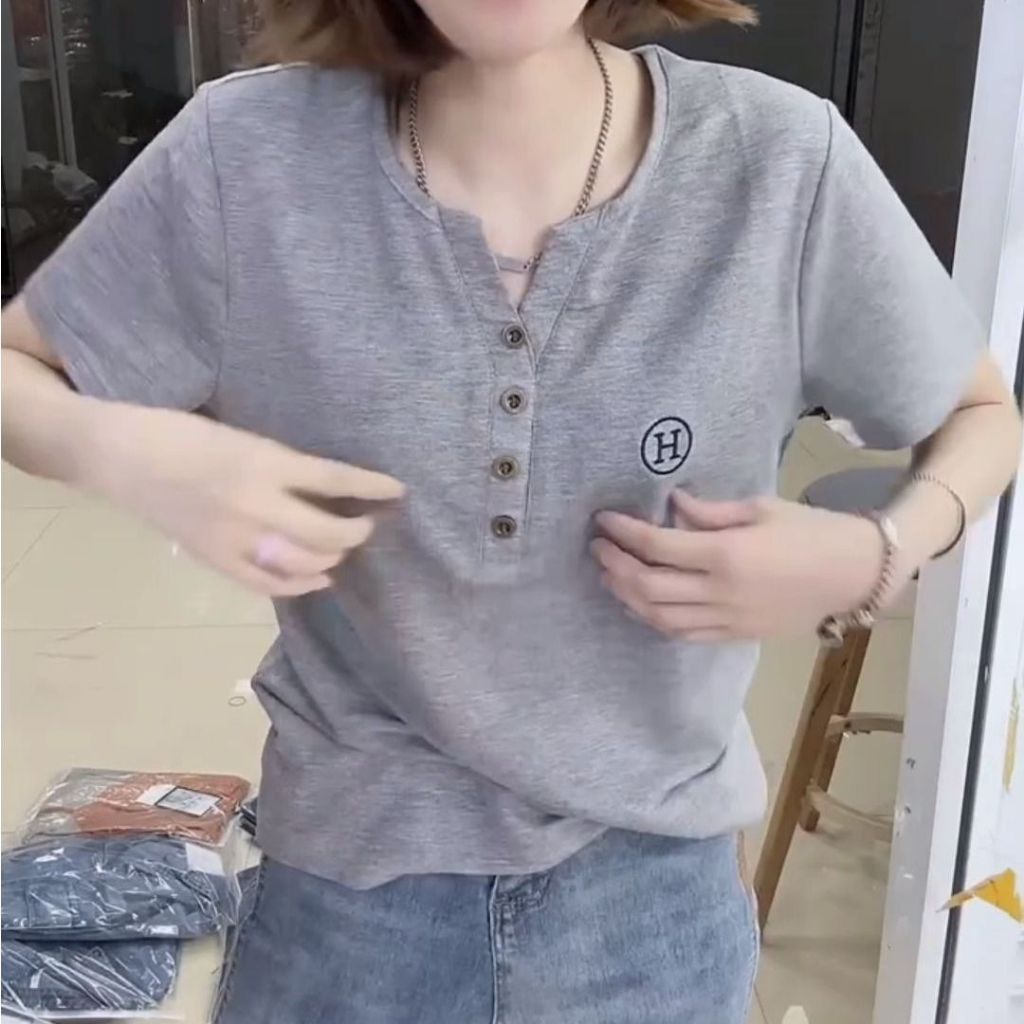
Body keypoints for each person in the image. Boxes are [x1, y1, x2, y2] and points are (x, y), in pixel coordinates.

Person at [2, 1, 1020, 1021]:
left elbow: (982, 416)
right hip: (347, 894)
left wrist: (874, 552)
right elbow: (19, 371)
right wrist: (140, 454)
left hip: (653, 900)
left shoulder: (780, 161)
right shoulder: (246, 155)